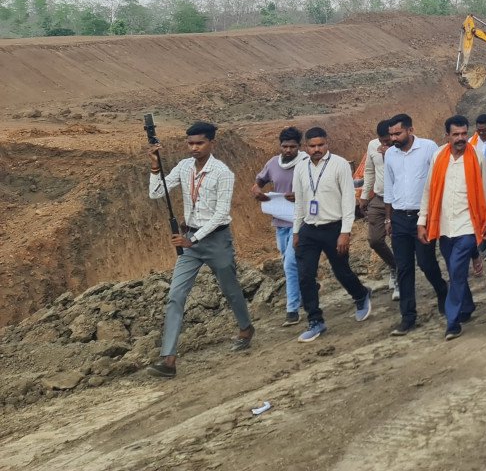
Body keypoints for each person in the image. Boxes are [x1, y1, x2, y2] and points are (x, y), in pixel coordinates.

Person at [145, 121, 254, 377]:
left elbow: (221, 214)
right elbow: (156, 192)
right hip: (190, 241)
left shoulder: (223, 173)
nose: (194, 148)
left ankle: (246, 328)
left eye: (200, 143)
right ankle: (168, 360)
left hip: (216, 240)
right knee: (176, 295)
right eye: (191, 143)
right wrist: (155, 166)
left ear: (211, 143)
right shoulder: (184, 167)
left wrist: (193, 240)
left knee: (230, 289)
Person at [292, 127, 374, 342]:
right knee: (305, 275)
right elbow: (299, 202)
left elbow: (348, 199)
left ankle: (361, 294)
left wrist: (345, 232)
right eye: (312, 146)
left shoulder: (339, 164)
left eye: (321, 145)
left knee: (341, 270)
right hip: (309, 228)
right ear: (306, 147)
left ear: (327, 143)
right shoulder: (300, 168)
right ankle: (315, 320)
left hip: (334, 227)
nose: (317, 149)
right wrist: (296, 231)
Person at [417, 116, 486, 340]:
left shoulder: (477, 156)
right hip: (444, 226)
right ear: (447, 135)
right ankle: (467, 306)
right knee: (454, 270)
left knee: (457, 271)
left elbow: (484, 191)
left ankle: (452, 321)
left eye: (464, 134)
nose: (460, 138)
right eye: (455, 134)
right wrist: (422, 221)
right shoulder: (438, 156)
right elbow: (428, 190)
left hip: (467, 225)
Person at [383, 113, 448, 336]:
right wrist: (388, 218)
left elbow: (438, 181)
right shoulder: (390, 154)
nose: (393, 138)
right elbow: (389, 187)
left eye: (397, 133)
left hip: (423, 217)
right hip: (399, 218)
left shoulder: (428, 148)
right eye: (391, 134)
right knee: (404, 268)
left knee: (426, 263)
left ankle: (442, 290)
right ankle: (408, 317)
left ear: (410, 130)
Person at [251, 126, 304, 325]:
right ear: (280, 146)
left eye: (292, 147)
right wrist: (257, 190)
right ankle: (307, 288)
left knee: (290, 263)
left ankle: (292, 310)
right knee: (287, 261)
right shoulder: (273, 163)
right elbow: (259, 180)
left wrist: (300, 196)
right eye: (285, 146)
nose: (288, 150)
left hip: (301, 222)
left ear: (299, 146)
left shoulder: (306, 162)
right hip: (280, 221)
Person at [357, 120, 398, 299]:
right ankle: (394, 266)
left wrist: (390, 153)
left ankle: (400, 278)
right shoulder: (373, 146)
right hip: (379, 198)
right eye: (381, 141)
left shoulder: (400, 147)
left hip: (397, 201)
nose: (384, 144)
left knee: (397, 239)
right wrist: (364, 196)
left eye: (387, 140)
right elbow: (369, 172)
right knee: (374, 240)